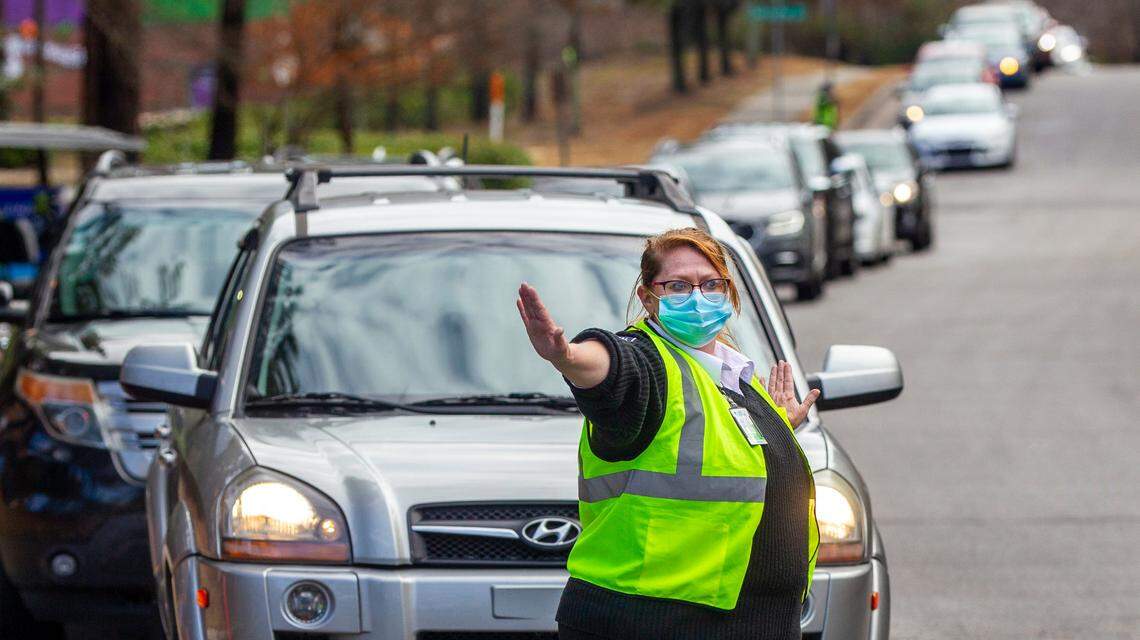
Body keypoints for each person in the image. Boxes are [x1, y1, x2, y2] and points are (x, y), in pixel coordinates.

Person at [516, 227, 821, 640]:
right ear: (647, 298)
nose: (697, 296)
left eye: (710, 283)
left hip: (743, 623)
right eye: (678, 285)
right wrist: (568, 357)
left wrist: (779, 430)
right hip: (650, 624)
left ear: (728, 292)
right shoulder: (649, 363)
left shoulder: (732, 378)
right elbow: (613, 368)